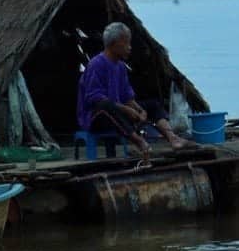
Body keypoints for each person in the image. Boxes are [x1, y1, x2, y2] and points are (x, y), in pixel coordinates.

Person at [77, 21, 192, 156]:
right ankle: (139, 142)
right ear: (115, 43)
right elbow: (94, 98)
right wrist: (126, 109)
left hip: (118, 112)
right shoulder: (96, 64)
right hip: (96, 118)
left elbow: (127, 96)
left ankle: (173, 138)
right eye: (126, 43)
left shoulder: (120, 67)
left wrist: (139, 110)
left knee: (153, 105)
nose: (130, 47)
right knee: (106, 106)